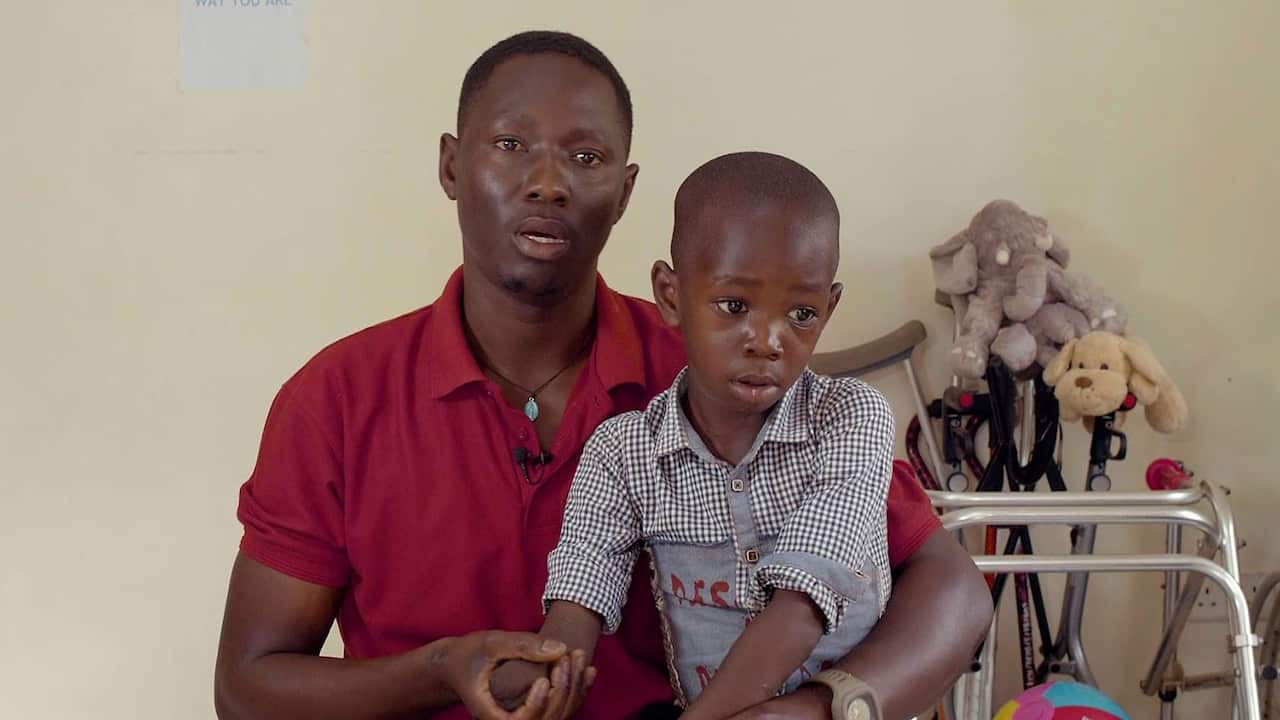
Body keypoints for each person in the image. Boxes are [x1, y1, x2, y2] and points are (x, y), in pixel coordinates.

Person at [213, 30, 992, 720]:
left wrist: (825, 708)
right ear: (452, 165)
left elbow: (951, 593)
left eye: (585, 157)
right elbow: (247, 689)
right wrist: (442, 670)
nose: (548, 182)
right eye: (511, 144)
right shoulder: (336, 400)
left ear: (623, 193)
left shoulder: (718, 370)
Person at [490, 151, 895, 720]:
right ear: (670, 296)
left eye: (801, 314)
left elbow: (802, 605)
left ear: (829, 307)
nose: (767, 340)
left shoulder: (851, 418)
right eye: (734, 305)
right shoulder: (624, 452)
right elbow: (580, 593)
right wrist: (537, 677)